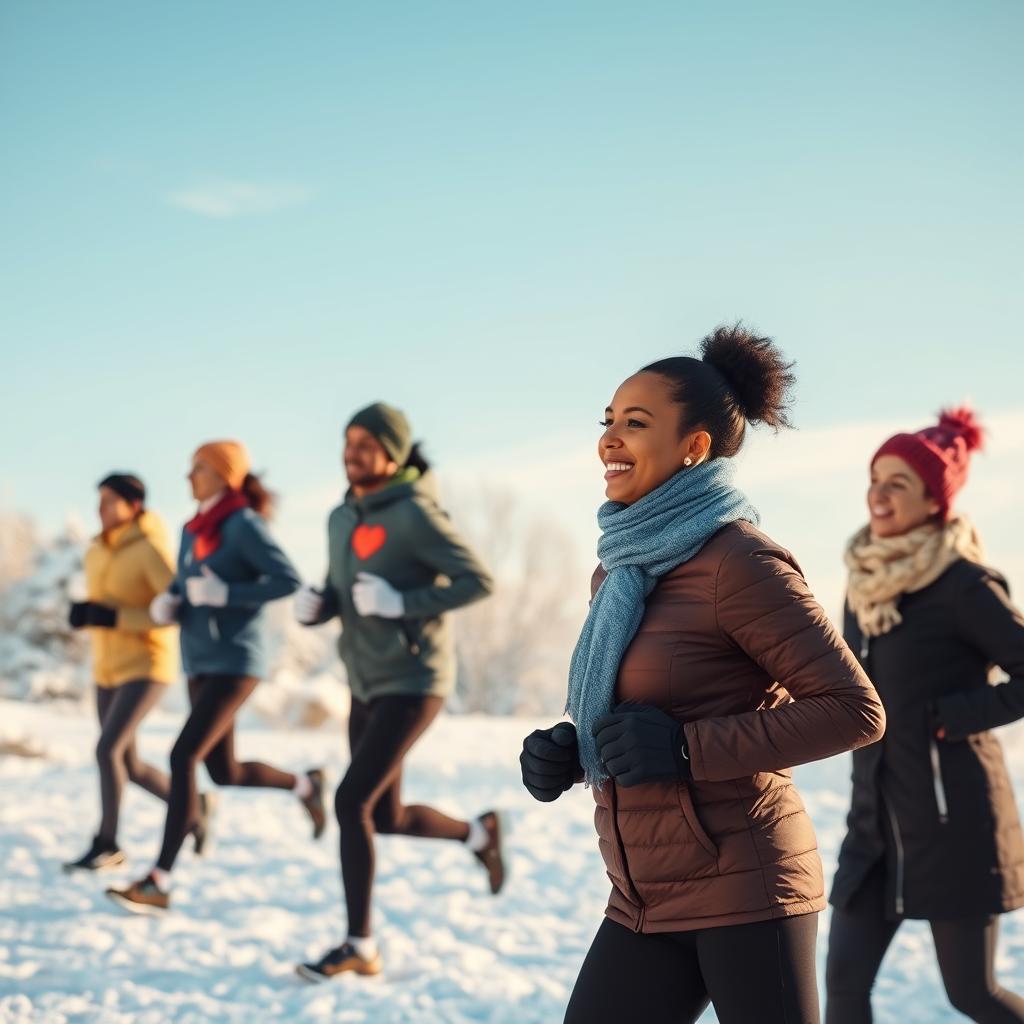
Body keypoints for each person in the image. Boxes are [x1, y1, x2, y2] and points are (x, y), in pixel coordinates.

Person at [520, 325, 886, 1024]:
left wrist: (687, 749)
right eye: (608, 422)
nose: (609, 441)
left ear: (694, 447)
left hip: (746, 885)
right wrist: (570, 751)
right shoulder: (624, 570)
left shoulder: (738, 561)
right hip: (644, 891)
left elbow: (853, 708)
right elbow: (636, 703)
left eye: (636, 423)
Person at [825, 408, 1024, 1023]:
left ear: (934, 501)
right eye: (875, 478)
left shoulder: (963, 585)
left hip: (952, 823)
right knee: (843, 989)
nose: (878, 495)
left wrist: (956, 715)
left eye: (898, 483)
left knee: (971, 994)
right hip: (875, 827)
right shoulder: (865, 585)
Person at [293, 402, 500, 982]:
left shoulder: (416, 513)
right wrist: (320, 606)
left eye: (365, 442)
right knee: (382, 815)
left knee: (349, 801)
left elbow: (477, 580)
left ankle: (360, 945)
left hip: (415, 680)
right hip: (365, 681)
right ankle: (479, 832)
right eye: (347, 440)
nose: (351, 451)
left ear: (394, 453)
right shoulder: (340, 517)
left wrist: (402, 603)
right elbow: (342, 589)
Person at [106, 441, 322, 914]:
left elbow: (287, 579)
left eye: (198, 469)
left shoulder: (243, 524)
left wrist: (229, 593)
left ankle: (159, 878)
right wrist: (171, 600)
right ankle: (306, 785)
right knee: (223, 770)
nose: (188, 477)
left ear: (225, 476)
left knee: (183, 755)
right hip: (199, 659)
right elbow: (186, 585)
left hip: (237, 661)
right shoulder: (190, 529)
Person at [64, 473, 207, 871]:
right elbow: (104, 606)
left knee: (106, 750)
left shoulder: (150, 549)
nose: (101, 508)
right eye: (99, 500)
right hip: (107, 669)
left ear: (134, 505)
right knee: (128, 764)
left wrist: (114, 617)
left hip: (147, 667)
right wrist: (86, 614)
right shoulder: (96, 551)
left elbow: (175, 611)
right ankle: (193, 808)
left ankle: (108, 844)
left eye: (110, 500)